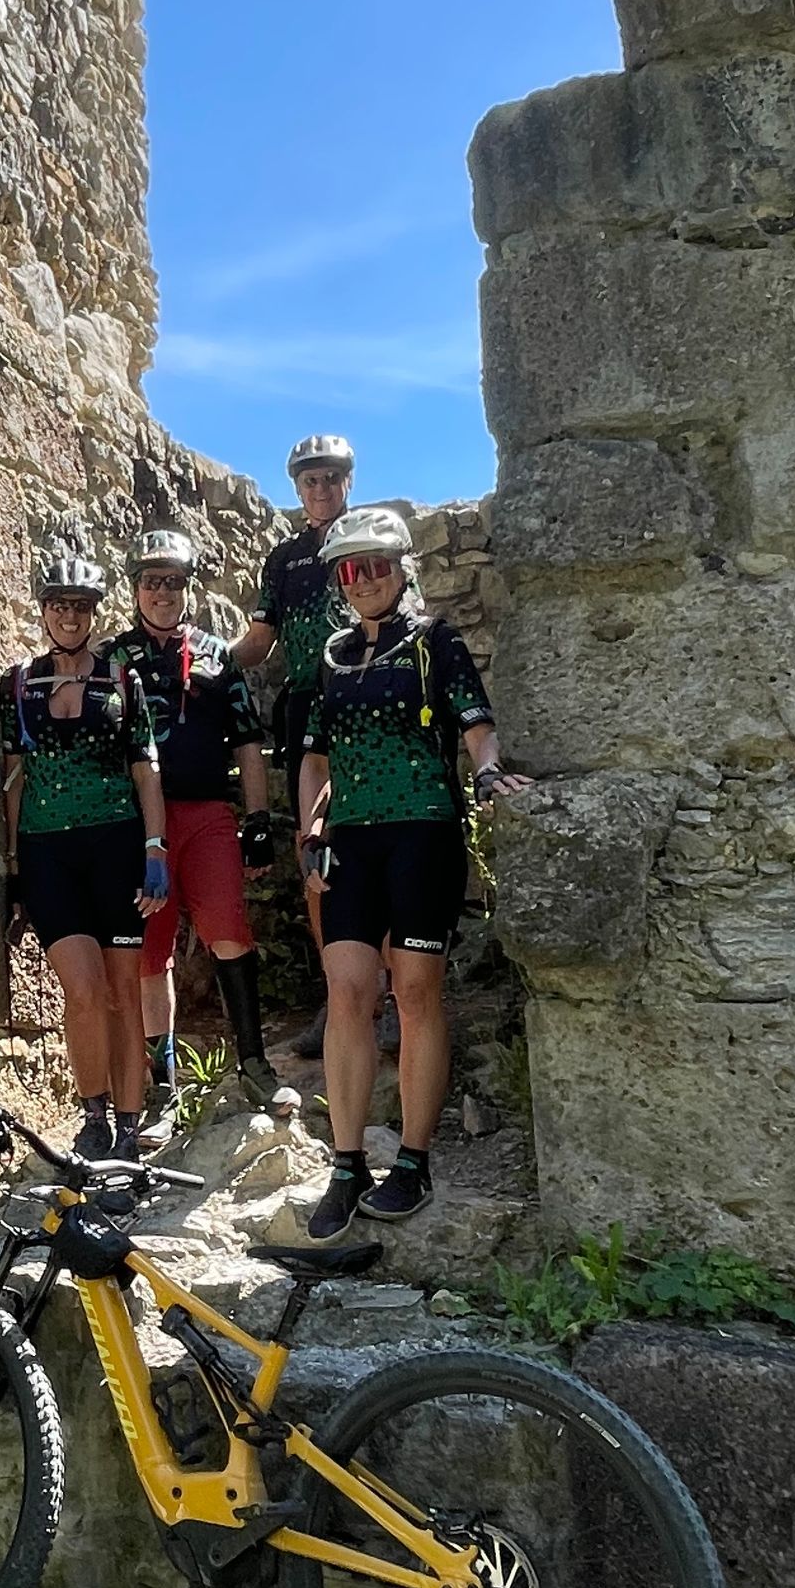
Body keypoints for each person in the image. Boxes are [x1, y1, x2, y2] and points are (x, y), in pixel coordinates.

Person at [293, 506, 531, 1238]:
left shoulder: (434, 640)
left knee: (418, 991)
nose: (364, 579)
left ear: (401, 570)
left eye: (377, 566)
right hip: (352, 842)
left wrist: (490, 774)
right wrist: (309, 835)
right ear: (339, 579)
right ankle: (346, 1162)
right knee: (347, 992)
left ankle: (416, 1161)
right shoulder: (329, 657)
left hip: (424, 832)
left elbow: (475, 726)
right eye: (351, 568)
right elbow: (313, 757)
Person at [2, 553, 170, 1162]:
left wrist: (156, 848)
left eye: (80, 606)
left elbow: (145, 769)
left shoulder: (122, 679)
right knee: (83, 990)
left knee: (124, 992)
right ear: (43, 611)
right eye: (58, 605)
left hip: (117, 844)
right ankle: (92, 1113)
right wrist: (13, 864)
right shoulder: (19, 683)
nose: (69, 616)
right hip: (50, 852)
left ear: (94, 614)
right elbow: (13, 776)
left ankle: (128, 1123)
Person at [103, 528, 273, 1119]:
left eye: (173, 582)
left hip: (206, 814)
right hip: (139, 824)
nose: (162, 593)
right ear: (135, 589)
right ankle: (162, 1081)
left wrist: (258, 819)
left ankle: (254, 1062)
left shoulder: (215, 653)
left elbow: (248, 740)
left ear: (187, 588)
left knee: (228, 929)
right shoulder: (113, 658)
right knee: (152, 954)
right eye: (151, 582)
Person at [234, 433, 355, 1060]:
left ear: (347, 483)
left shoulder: (372, 540)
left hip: (368, 705)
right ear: (297, 488)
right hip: (306, 707)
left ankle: (384, 996)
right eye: (310, 480)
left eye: (331, 478)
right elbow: (261, 642)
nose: (321, 489)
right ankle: (341, 997)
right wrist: (207, 665)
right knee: (316, 849)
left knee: (370, 838)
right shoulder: (283, 561)